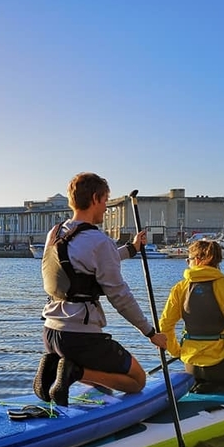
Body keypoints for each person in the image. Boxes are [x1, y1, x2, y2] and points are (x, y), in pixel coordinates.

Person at [34, 172, 168, 406]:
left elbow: (81, 267)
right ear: (95, 198)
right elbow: (120, 297)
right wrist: (150, 333)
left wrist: (132, 249)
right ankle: (75, 372)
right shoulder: (99, 241)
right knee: (137, 380)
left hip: (51, 333)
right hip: (80, 337)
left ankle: (57, 366)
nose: (106, 207)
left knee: (104, 382)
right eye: (106, 200)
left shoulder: (55, 233)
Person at [159, 240, 224, 393]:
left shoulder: (180, 288)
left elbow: (165, 326)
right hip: (220, 368)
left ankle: (201, 385)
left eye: (188, 260)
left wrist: (177, 352)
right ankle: (217, 385)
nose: (188, 263)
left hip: (191, 366)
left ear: (197, 260)